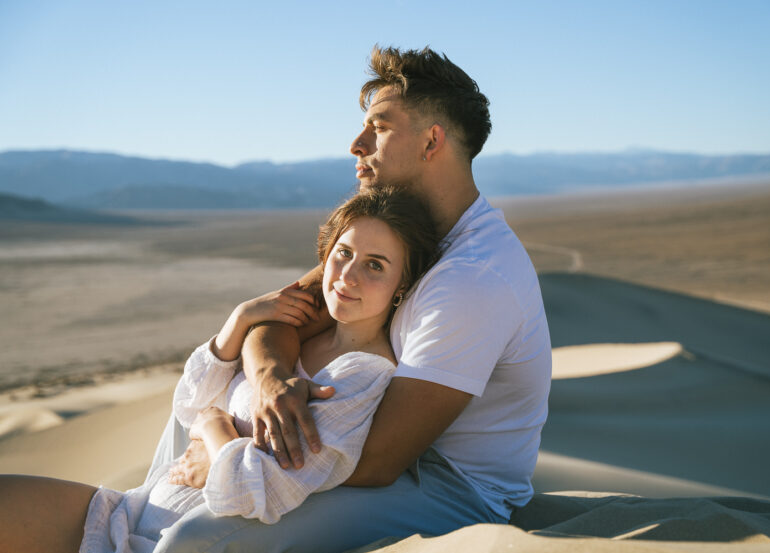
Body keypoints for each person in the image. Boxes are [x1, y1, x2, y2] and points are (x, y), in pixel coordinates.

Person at [153, 45, 552, 553]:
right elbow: (280, 317)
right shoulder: (393, 234)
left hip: (446, 485)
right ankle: (139, 515)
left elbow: (379, 461)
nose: (355, 144)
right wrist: (271, 379)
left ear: (432, 141)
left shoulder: (472, 277)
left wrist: (225, 448)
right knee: (207, 397)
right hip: (353, 442)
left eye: (379, 128)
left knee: (199, 541)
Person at [0, 185, 443, 553]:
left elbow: (260, 492)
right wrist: (239, 321)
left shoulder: (363, 375)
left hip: (156, 541)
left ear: (402, 285)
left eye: (375, 265)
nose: (347, 276)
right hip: (127, 511)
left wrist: (214, 432)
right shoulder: (299, 334)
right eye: (343, 253)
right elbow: (189, 403)